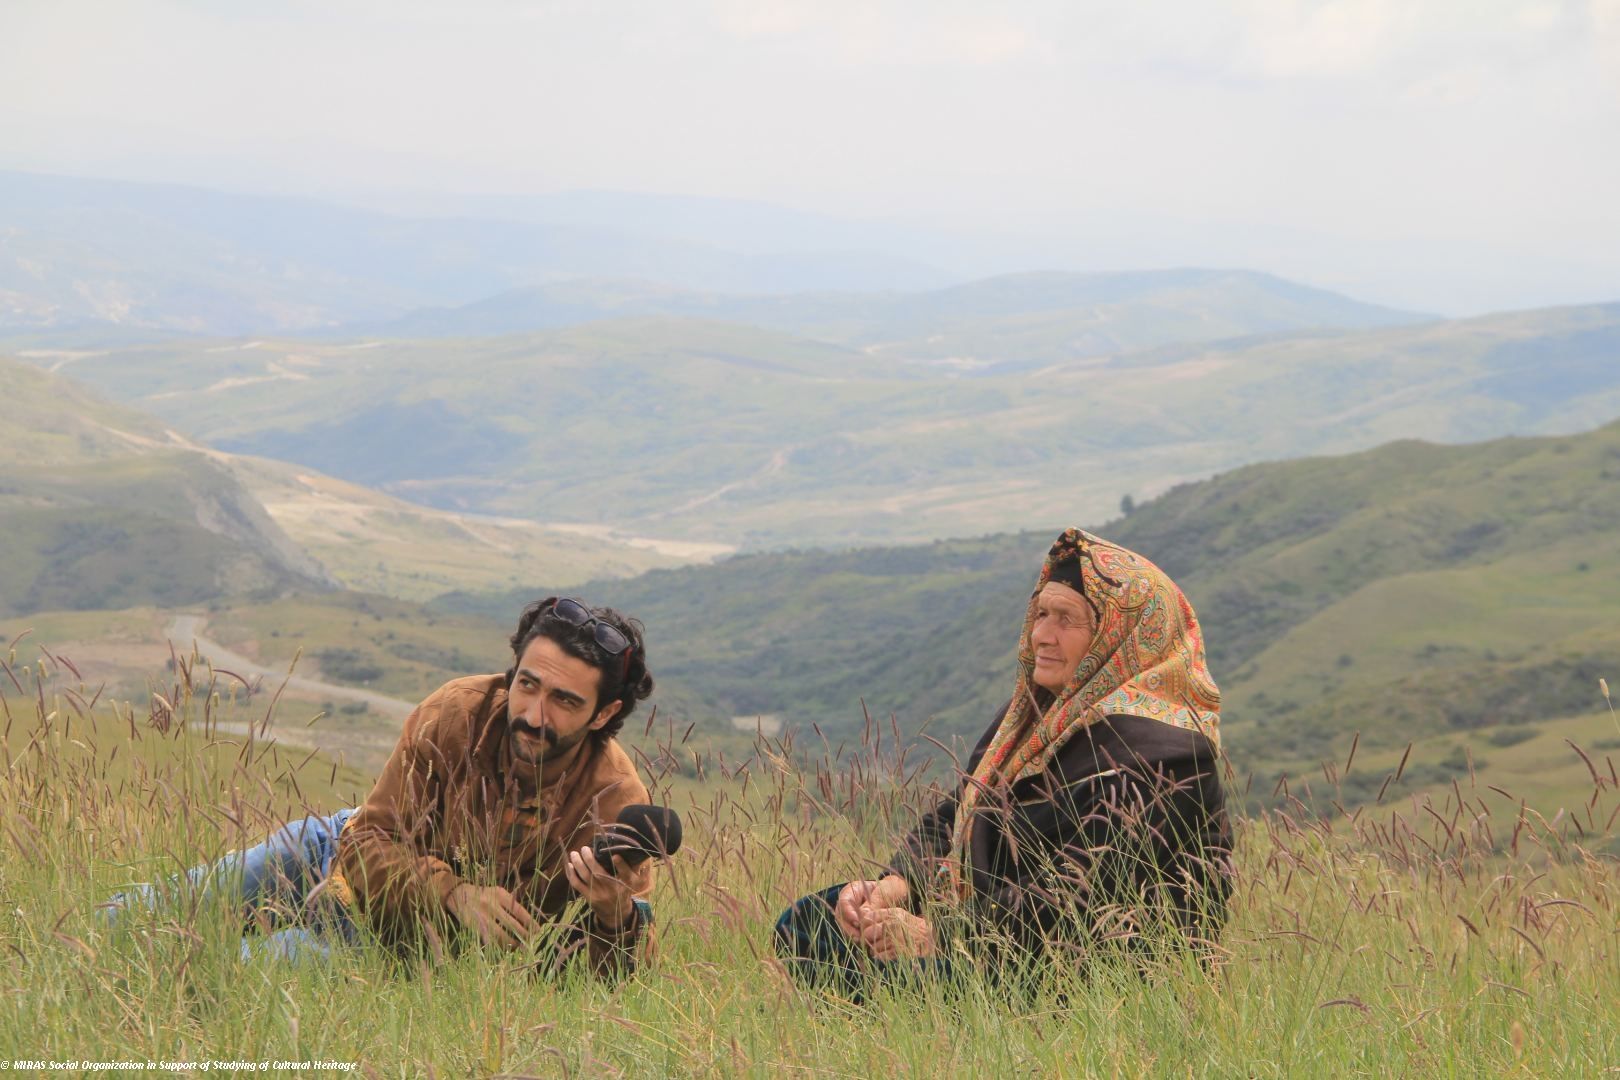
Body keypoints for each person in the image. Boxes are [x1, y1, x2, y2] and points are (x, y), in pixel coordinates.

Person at [774, 528, 1231, 994]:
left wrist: (936, 936)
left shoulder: (1162, 757)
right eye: (1041, 613)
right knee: (814, 920)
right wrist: (891, 885)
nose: (1042, 636)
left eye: (1067, 620)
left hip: (1083, 976)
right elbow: (958, 813)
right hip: (989, 930)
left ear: (1118, 636)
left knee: (874, 969)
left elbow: (1076, 900)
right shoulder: (1039, 715)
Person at [106, 597, 660, 979]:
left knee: (232, 972)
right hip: (331, 849)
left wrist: (615, 918)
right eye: (527, 685)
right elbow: (368, 838)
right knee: (129, 923)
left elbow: (605, 978)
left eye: (564, 701)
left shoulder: (613, 802)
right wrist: (457, 894)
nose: (533, 715)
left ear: (603, 712)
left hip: (393, 943)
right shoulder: (458, 712)